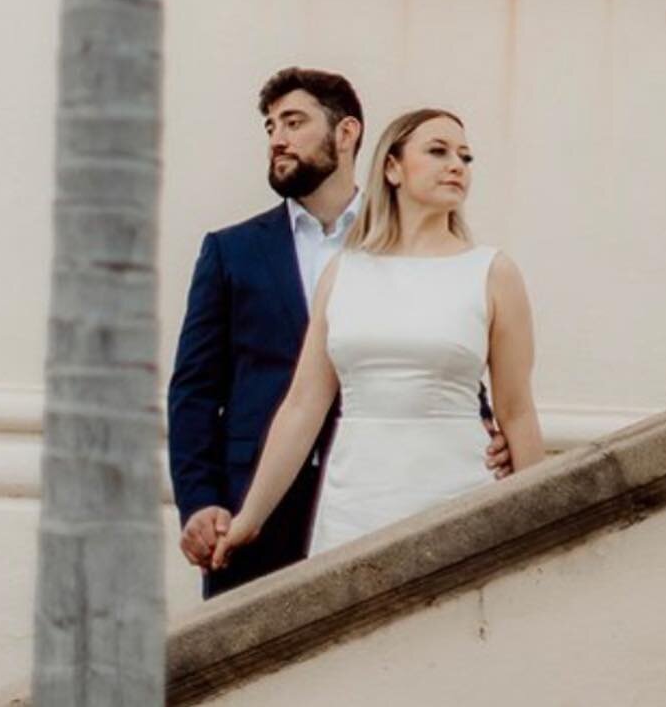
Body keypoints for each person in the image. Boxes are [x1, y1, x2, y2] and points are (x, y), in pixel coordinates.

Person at [167, 72, 509, 597]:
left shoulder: (411, 246)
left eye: (294, 122)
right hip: (256, 503)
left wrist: (485, 432)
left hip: (383, 491)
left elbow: (442, 351)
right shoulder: (229, 251)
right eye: (271, 126)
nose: (277, 138)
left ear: (347, 133)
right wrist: (200, 501)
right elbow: (194, 391)